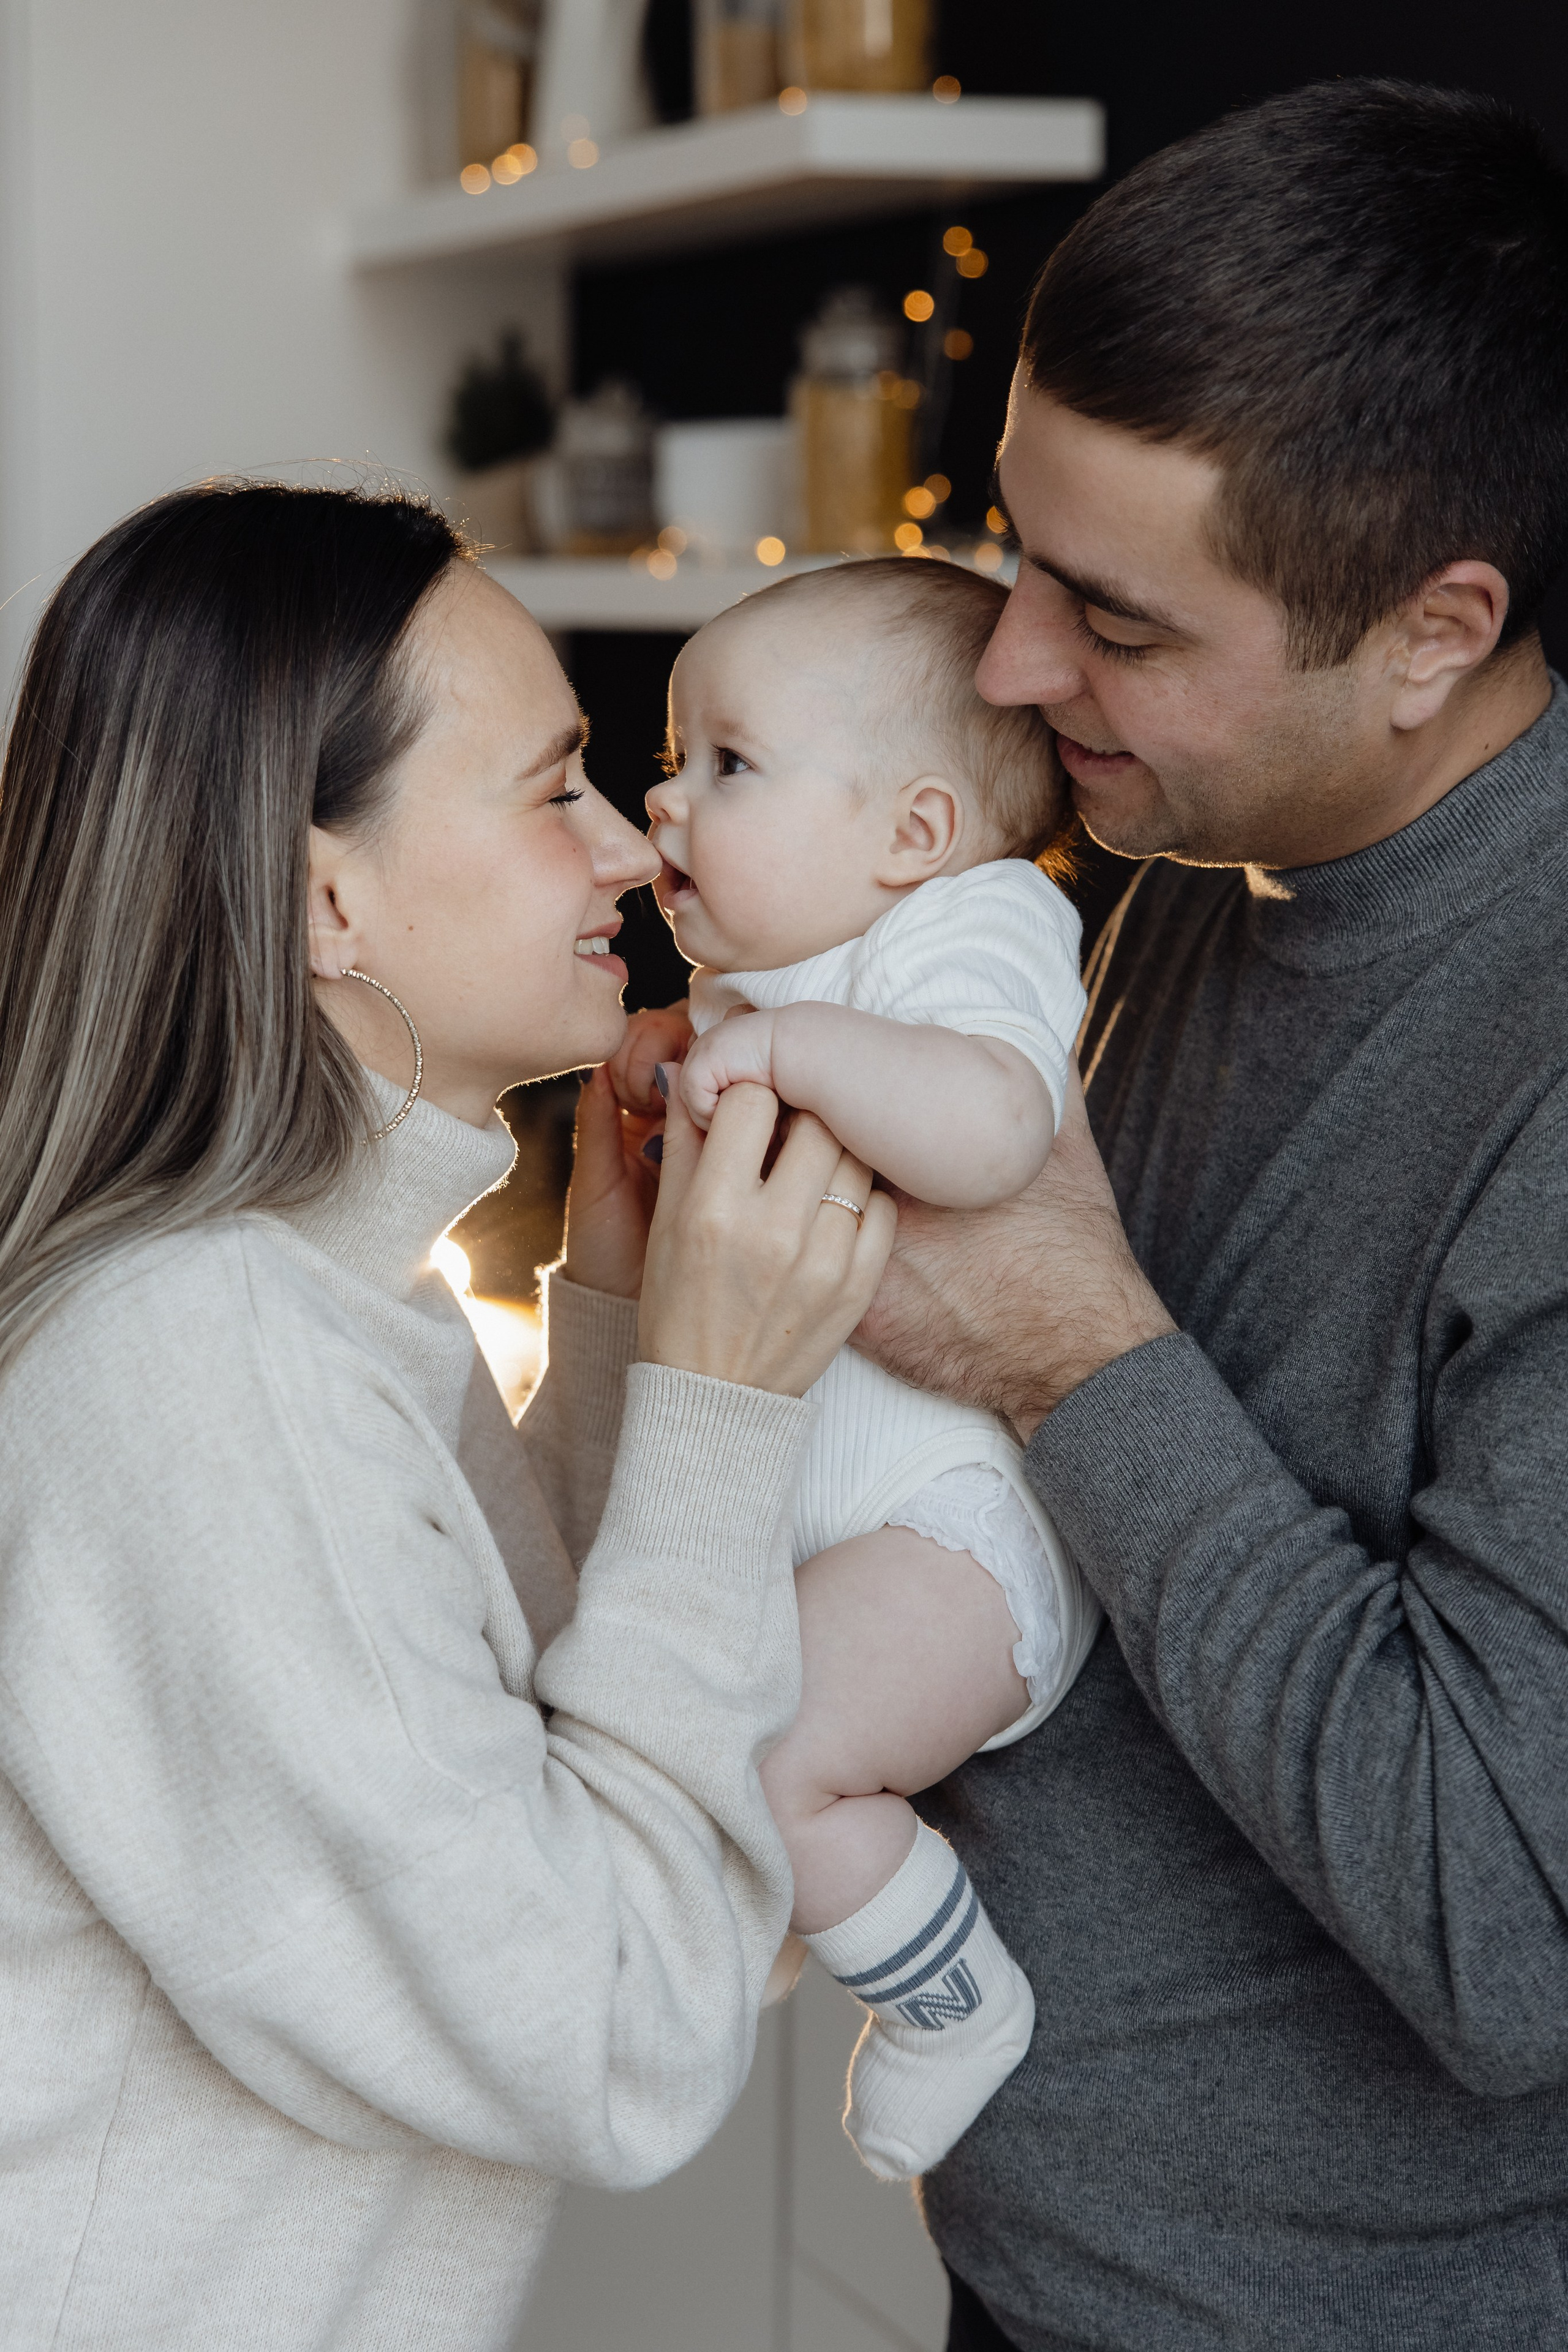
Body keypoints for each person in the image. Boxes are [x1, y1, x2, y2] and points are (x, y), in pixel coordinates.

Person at [0, 480, 894, 2351]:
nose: (633, 857)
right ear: (326, 895)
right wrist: (721, 1416)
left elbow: (539, 1753)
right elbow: (612, 2031)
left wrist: (631, 1309)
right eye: (553, 786)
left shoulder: (319, 1299)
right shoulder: (201, 1362)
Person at [843, 78, 1568, 2352]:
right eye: (1012, 554)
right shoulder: (1185, 865)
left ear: (1436, 630)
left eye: (1115, 621)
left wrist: (1073, 1347)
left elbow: (1502, 1929)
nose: (1010, 670)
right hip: (1029, 2272)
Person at [630, 557, 1099, 2182]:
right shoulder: (783, 966)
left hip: (961, 1539)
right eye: (674, 758)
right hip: (844, 1531)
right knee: (704, 1728)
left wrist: (782, 1054)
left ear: (912, 832)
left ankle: (958, 2001)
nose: (666, 799)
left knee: (772, 1752)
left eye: (726, 764)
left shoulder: (975, 925)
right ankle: (788, 1903)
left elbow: (990, 1125)